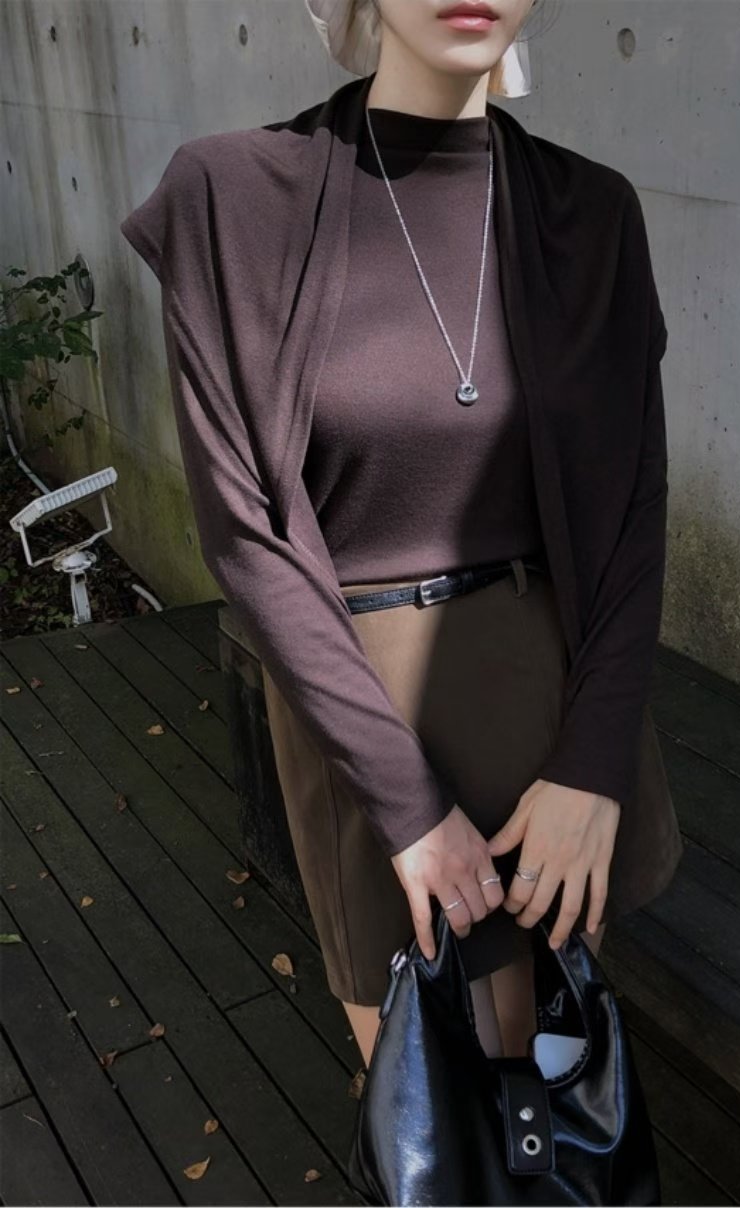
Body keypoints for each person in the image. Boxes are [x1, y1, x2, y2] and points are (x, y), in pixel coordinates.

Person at [120, 0, 683, 1074]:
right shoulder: (233, 194)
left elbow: (633, 509)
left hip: (552, 714)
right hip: (362, 715)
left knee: (548, 1100)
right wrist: (410, 807)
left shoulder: (592, 212)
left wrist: (595, 765)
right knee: (433, 1113)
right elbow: (245, 531)